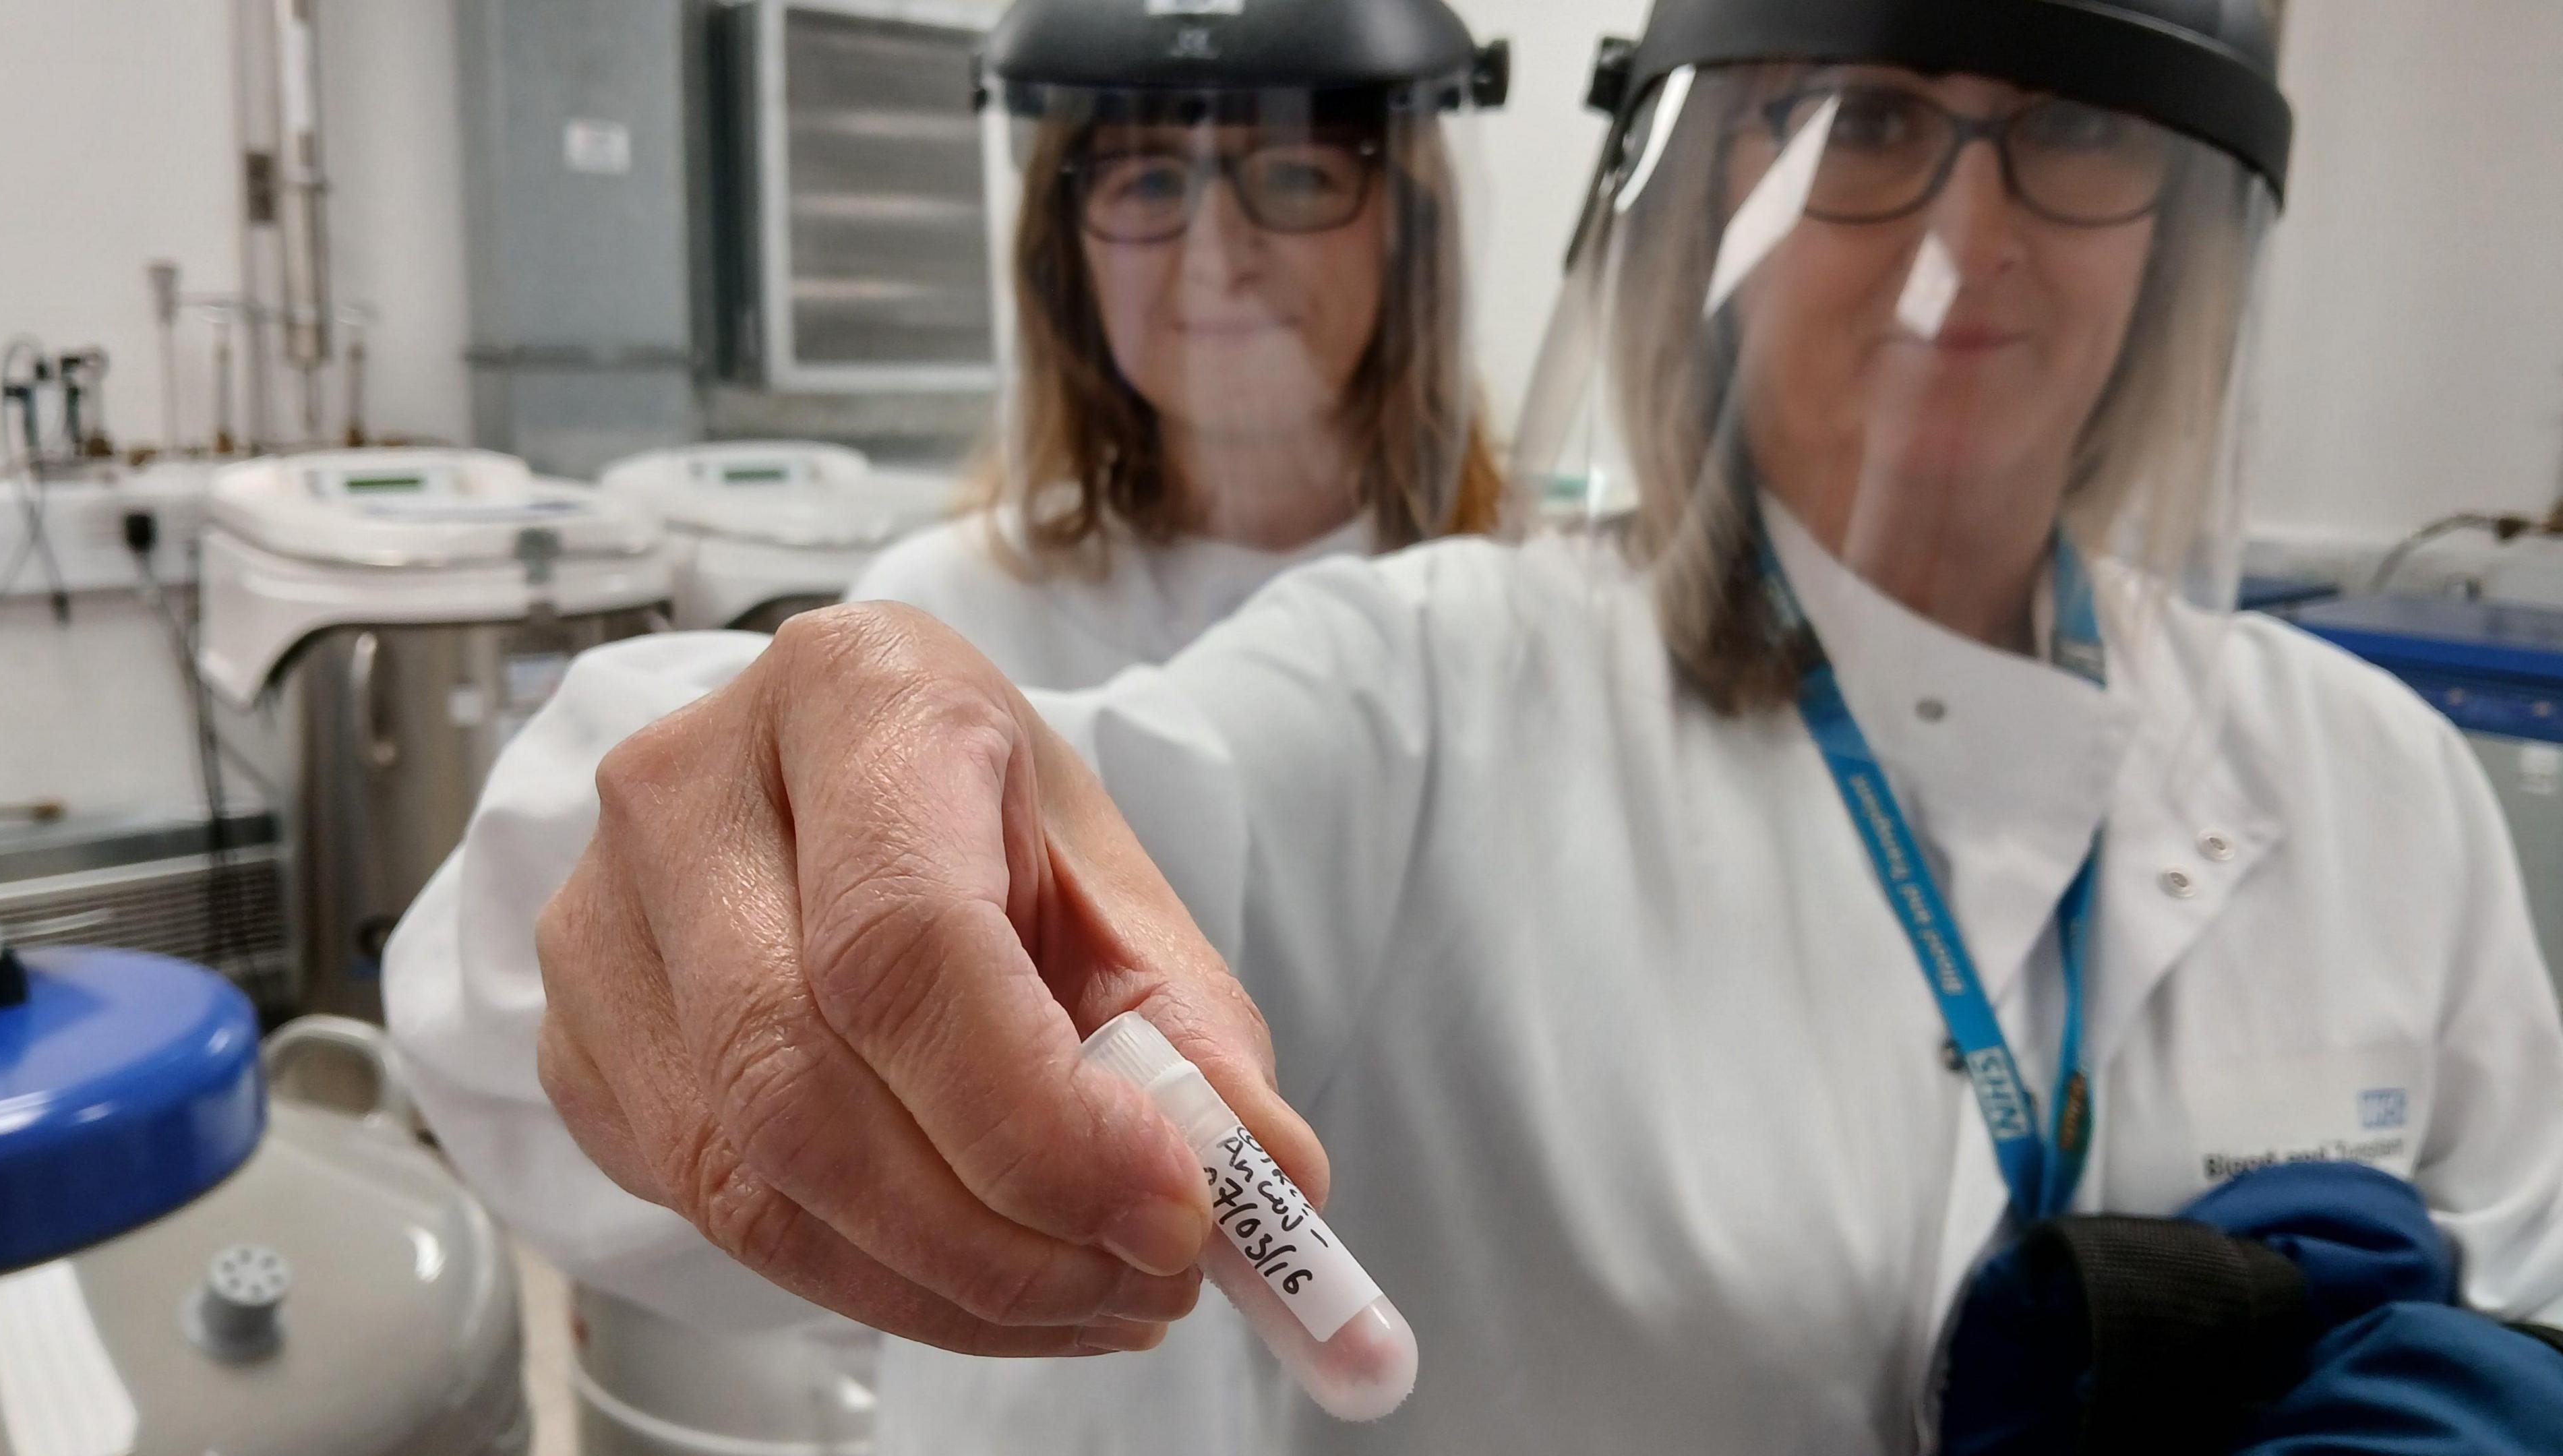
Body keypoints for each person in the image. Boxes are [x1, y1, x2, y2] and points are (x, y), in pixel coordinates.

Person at [473, 1, 2563, 1452]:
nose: (1965, 235)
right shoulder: (1436, 682)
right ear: (1702, 202)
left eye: (2077, 128)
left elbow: (2529, 1282)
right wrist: (741, 816)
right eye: (1866, 120)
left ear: (2192, 239)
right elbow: (826, 876)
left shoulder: (2373, 775)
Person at [382, 1, 1510, 1452]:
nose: (1219, 252)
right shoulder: (937, 610)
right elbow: (548, 1036)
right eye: (1148, 180)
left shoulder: (1523, 630)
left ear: (1411, 230)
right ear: (1061, 244)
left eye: (1298, 177)